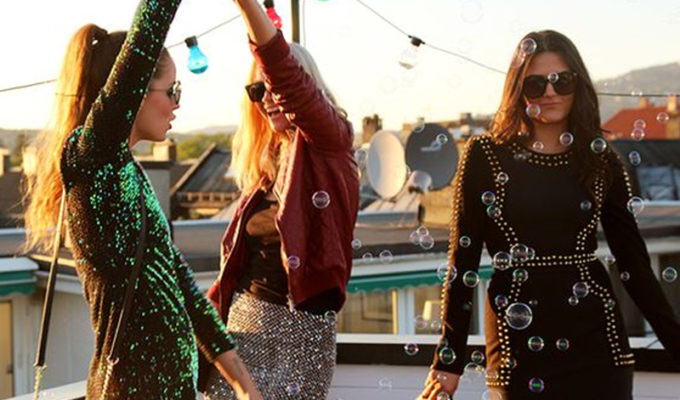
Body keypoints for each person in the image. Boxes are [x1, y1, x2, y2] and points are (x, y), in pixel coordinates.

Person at [418, 30, 680, 400]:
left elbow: (634, 265)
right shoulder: (485, 155)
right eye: (536, 84)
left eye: (562, 81)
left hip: (598, 342)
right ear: (518, 91)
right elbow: (463, 262)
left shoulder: (601, 160)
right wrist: (449, 359)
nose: (551, 92)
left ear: (579, 84)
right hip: (517, 341)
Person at [23, 1, 262, 399]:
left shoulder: (129, 173)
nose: (178, 103)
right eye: (172, 90)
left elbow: (180, 284)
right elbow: (146, 36)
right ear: (134, 92)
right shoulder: (91, 158)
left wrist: (243, 382)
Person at [202, 0, 359, 398]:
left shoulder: (331, 141)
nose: (268, 98)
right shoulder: (268, 172)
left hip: (302, 335)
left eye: (275, 87)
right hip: (243, 330)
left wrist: (246, 6)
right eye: (258, 90)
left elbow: (286, 77)